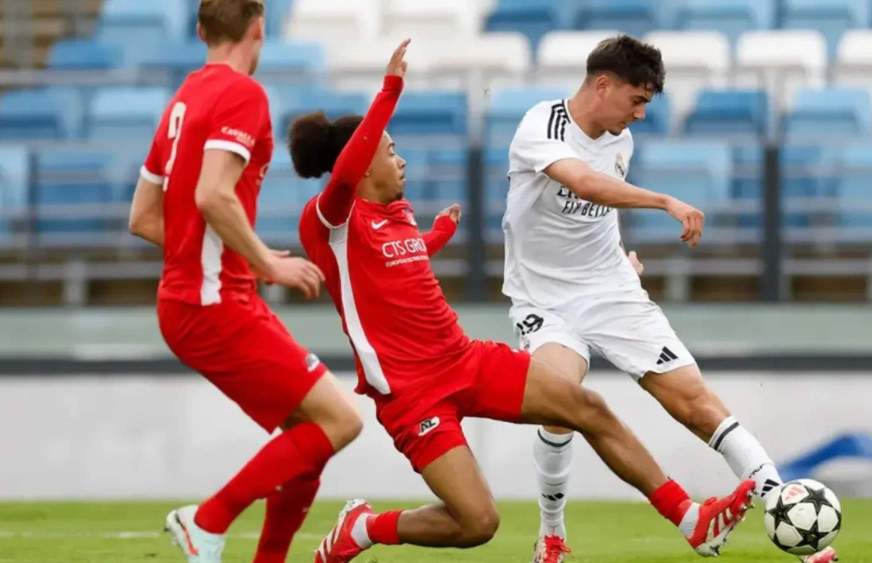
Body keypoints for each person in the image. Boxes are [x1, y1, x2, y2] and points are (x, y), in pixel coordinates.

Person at [294, 39, 754, 563]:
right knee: (477, 523)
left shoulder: (397, 215)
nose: (399, 159)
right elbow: (352, 170)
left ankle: (689, 518)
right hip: (410, 394)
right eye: (389, 149)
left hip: (461, 359)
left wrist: (439, 234)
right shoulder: (329, 219)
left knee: (586, 406)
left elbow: (401, 258)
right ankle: (366, 527)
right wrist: (390, 91)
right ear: (361, 160)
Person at [500, 34, 838, 563]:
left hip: (611, 291)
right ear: (604, 84)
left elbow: (594, 214)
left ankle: (785, 512)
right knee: (560, 401)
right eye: (636, 100)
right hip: (544, 300)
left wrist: (618, 266)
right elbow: (584, 184)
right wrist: (663, 200)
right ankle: (551, 536)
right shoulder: (541, 126)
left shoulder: (620, 140)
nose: (639, 114)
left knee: (695, 402)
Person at [128, 1, 362, 561]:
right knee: (340, 420)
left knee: (311, 437)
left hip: (191, 299)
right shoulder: (244, 94)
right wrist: (266, 261)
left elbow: (144, 217)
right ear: (259, 28)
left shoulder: (182, 100)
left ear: (201, 31)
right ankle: (207, 520)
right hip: (212, 303)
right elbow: (212, 195)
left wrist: (242, 260)